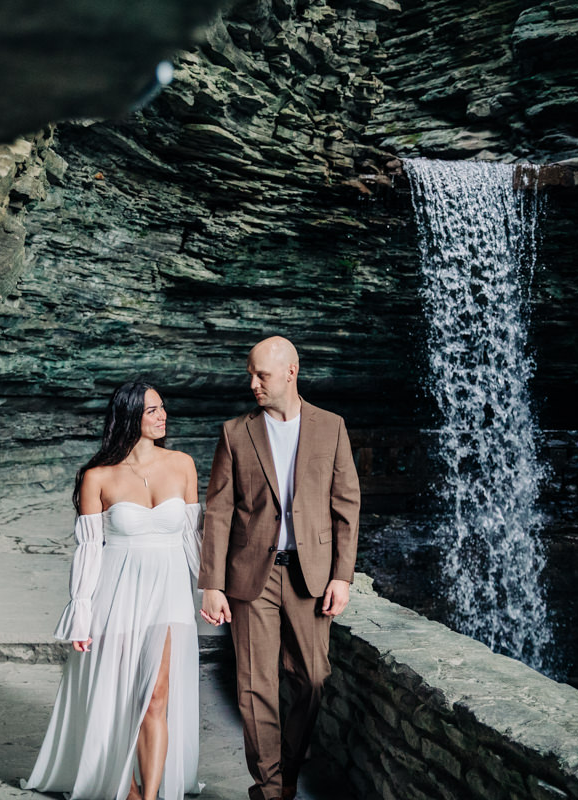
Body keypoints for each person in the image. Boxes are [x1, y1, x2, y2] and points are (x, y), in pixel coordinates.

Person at [198, 336, 361, 800]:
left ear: (291, 371)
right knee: (255, 685)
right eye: (250, 374)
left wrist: (342, 575)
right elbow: (219, 510)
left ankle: (288, 768)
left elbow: (347, 505)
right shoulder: (235, 433)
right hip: (252, 577)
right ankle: (270, 790)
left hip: (310, 575)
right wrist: (211, 584)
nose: (253, 384)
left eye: (261, 375)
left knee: (311, 679)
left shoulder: (331, 427)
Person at [23, 381, 203, 800]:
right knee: (120, 697)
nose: (163, 417)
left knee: (157, 698)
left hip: (170, 595)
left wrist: (210, 590)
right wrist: (81, 613)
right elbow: (88, 551)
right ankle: (127, 787)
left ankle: (152, 794)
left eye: (163, 408)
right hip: (117, 595)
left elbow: (193, 539)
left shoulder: (182, 465)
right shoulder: (97, 476)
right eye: (152, 410)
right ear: (129, 418)